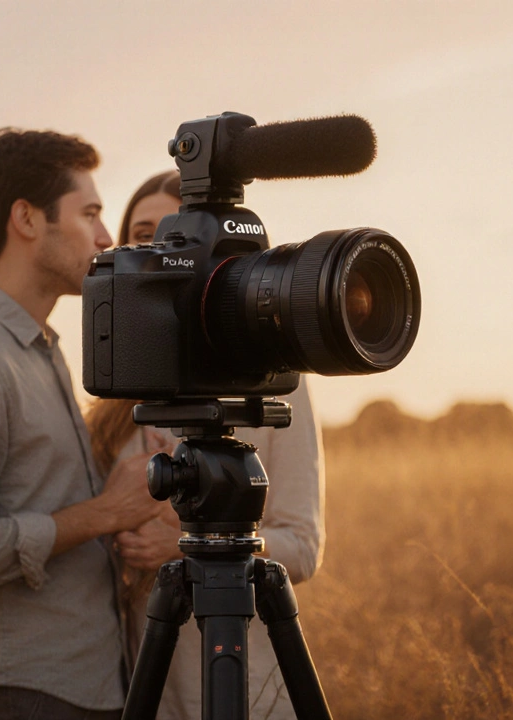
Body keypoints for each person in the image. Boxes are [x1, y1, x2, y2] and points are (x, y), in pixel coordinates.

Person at [0, 128, 163, 719]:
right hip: (23, 695)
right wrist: (103, 513)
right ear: (27, 220)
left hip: (84, 685)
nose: (107, 238)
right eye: (90, 214)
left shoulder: (39, 348)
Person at [85, 170, 326, 719]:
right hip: (150, 691)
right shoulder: (113, 403)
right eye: (141, 234)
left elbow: (303, 544)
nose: (155, 247)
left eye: (174, 237)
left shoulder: (270, 373)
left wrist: (186, 545)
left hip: (255, 692)